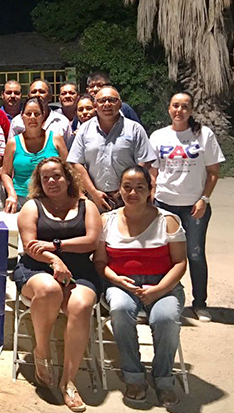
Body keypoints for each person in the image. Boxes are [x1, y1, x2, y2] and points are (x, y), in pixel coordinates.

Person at [93, 166, 187, 408]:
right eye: (127, 187)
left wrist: (159, 290)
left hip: (163, 284)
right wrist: (116, 280)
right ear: (119, 189)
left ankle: (163, 378)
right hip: (121, 284)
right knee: (120, 310)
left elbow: (180, 262)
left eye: (139, 187)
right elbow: (100, 262)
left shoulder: (167, 221)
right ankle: (133, 376)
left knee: (165, 318)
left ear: (149, 190)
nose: (132, 193)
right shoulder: (107, 221)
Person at [14, 157, 102, 412]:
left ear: (68, 178)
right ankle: (42, 353)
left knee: (81, 305)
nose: (51, 181)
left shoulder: (86, 206)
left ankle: (68, 381)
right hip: (37, 267)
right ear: (39, 183)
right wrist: (54, 259)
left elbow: (92, 241)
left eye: (57, 176)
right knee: (49, 290)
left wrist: (56, 246)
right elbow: (30, 246)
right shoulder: (32, 206)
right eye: (45, 178)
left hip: (79, 269)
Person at [150, 92, 224, 322]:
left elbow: (213, 172)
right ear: (169, 108)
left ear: (191, 110)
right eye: (175, 106)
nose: (179, 111)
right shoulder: (158, 136)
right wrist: (151, 198)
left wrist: (204, 199)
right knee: (163, 254)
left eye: (184, 106)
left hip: (194, 206)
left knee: (195, 254)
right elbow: (153, 172)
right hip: (164, 204)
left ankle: (200, 303)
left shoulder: (203, 135)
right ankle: (161, 299)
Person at [68, 86, 156, 213]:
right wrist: (93, 192)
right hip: (95, 199)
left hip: (129, 198)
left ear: (120, 104)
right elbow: (76, 163)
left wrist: (125, 189)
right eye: (102, 101)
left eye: (112, 100)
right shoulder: (84, 130)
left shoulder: (135, 129)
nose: (107, 104)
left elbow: (145, 162)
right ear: (95, 105)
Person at [2, 97, 68, 213]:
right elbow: (5, 173)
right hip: (21, 200)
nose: (32, 117)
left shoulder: (56, 139)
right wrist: (11, 194)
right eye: (28, 114)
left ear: (43, 116)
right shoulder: (13, 143)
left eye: (37, 114)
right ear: (22, 116)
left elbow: (68, 170)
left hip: (52, 200)